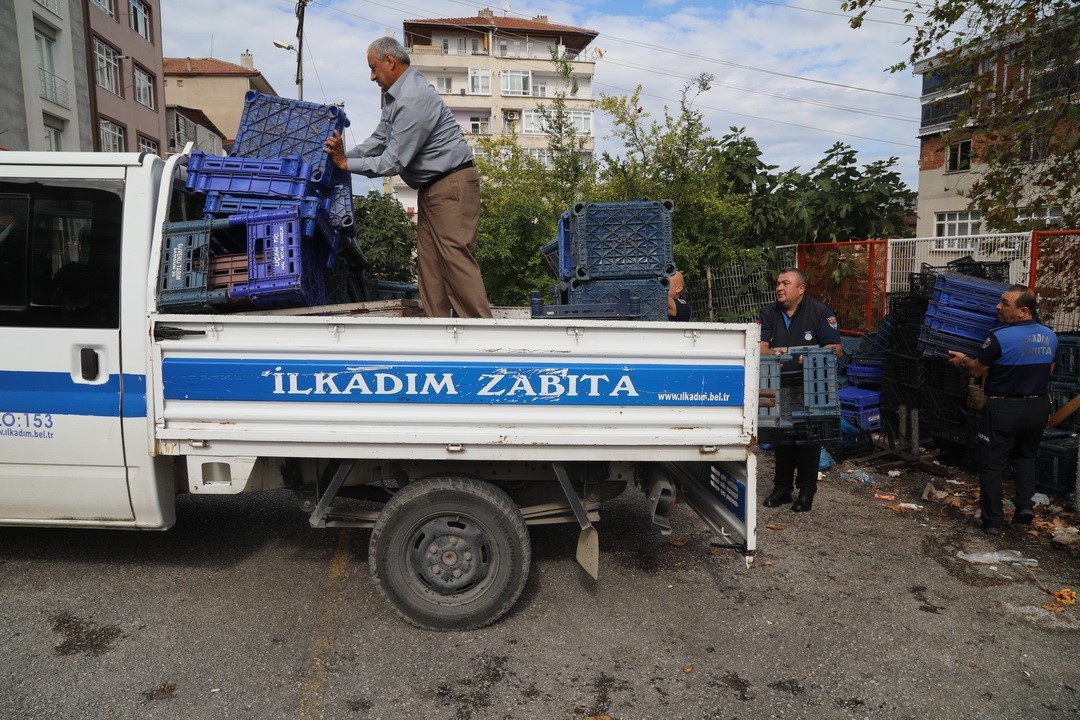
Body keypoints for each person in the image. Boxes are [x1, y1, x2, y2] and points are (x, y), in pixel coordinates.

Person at [324, 36, 491, 319]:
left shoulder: (412, 97)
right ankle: (439, 334)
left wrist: (344, 164)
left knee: (454, 259)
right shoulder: (395, 97)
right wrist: (339, 157)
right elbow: (377, 140)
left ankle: (482, 336)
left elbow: (393, 160)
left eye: (374, 68)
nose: (371, 76)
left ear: (390, 61)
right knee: (429, 266)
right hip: (433, 189)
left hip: (452, 184)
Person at [947, 284, 1057, 535]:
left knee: (991, 465)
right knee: (1025, 457)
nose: (998, 306)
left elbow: (977, 369)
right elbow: (1048, 371)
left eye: (1005, 303)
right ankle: (1024, 508)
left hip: (1003, 408)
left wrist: (962, 359)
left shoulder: (998, 337)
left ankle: (993, 522)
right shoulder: (1050, 335)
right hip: (1037, 407)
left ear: (1023, 311)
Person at [759, 268, 842, 512]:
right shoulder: (768, 314)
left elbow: (835, 348)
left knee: (809, 438)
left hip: (811, 387)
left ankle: (806, 492)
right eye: (778, 283)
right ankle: (782, 489)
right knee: (781, 437)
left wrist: (810, 355)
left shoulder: (820, 312)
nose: (779, 288)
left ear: (801, 289)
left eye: (786, 283)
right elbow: (759, 348)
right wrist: (777, 353)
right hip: (776, 385)